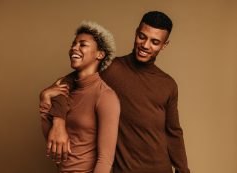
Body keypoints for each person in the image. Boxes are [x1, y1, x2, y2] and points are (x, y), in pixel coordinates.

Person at [41, 11, 190, 173]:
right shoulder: (110, 68)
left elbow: (173, 132)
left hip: (161, 168)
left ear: (164, 45)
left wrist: (183, 170)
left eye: (155, 42)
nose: (145, 45)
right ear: (136, 33)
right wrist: (58, 122)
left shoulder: (168, 84)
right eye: (142, 36)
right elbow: (64, 85)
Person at [39, 21, 120, 173]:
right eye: (73, 44)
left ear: (100, 54)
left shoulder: (105, 96)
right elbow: (52, 143)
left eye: (82, 44)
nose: (74, 48)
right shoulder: (63, 90)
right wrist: (44, 98)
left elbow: (105, 159)